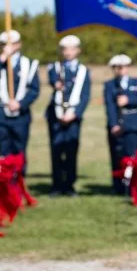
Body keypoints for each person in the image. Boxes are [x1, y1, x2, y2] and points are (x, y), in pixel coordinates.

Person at [0, 29, 40, 174]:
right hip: (1, 113)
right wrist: (3, 56)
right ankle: (5, 180)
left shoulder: (29, 64)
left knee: (19, 149)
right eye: (4, 45)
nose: (8, 47)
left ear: (18, 45)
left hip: (20, 114)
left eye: (11, 44)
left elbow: (34, 89)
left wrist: (20, 103)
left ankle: (19, 179)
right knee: (4, 149)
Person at [46, 34, 92, 196]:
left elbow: (85, 96)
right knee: (56, 151)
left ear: (78, 50)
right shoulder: (55, 68)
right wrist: (56, 83)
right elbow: (53, 81)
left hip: (73, 117)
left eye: (72, 49)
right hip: (56, 116)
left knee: (71, 151)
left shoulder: (83, 71)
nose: (68, 52)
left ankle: (69, 184)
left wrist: (75, 113)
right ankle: (57, 185)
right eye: (65, 49)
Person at [103, 54, 137, 194]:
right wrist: (113, 124)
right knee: (117, 156)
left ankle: (132, 187)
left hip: (132, 123)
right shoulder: (109, 85)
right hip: (117, 124)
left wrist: (128, 99)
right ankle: (117, 187)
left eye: (123, 67)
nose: (120, 70)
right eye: (117, 67)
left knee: (132, 156)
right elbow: (109, 106)